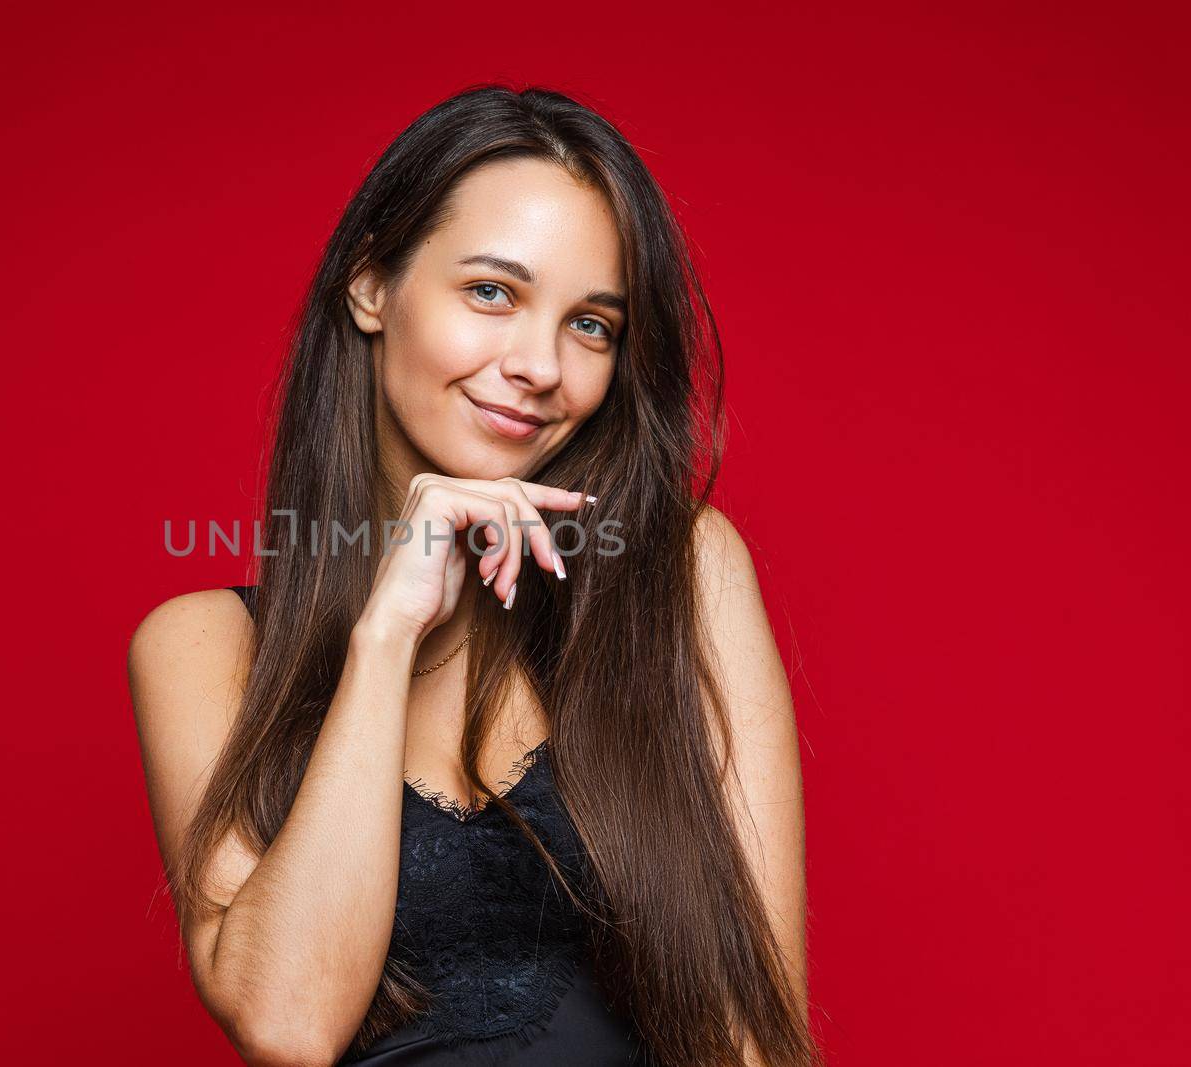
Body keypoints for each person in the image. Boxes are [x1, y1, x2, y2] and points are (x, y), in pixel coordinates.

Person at [128, 84, 819, 1067]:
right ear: (371, 284)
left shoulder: (676, 573)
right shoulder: (205, 646)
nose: (540, 364)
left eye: (591, 324)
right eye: (491, 291)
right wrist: (386, 632)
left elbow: (753, 1031)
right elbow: (286, 1021)